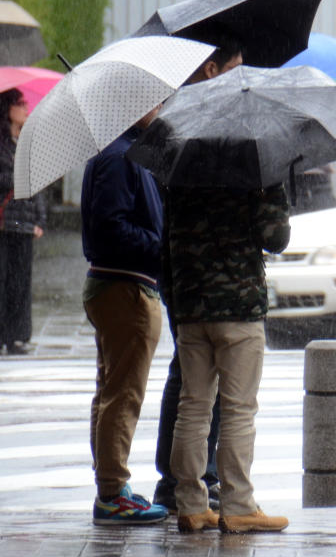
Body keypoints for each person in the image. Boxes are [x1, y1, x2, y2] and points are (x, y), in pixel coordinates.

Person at [152, 36, 244, 515]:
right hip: (215, 282)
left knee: (189, 387)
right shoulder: (215, 131)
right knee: (215, 393)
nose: (242, 74)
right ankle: (204, 487)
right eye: (236, 64)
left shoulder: (174, 129)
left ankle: (181, 487)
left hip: (183, 276)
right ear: (211, 70)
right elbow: (271, 230)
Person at [166, 180, 291, 531]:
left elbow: (168, 240)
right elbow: (276, 237)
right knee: (238, 408)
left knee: (192, 404)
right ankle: (237, 506)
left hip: (191, 306)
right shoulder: (253, 169)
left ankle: (190, 504)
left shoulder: (182, 170)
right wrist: (275, 192)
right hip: (238, 306)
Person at [81, 106, 169, 525]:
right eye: (158, 101)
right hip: (125, 286)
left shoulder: (125, 151)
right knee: (122, 394)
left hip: (119, 284)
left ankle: (111, 484)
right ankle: (112, 492)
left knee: (111, 390)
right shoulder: (119, 157)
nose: (163, 108)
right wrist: (159, 246)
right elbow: (111, 227)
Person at [0, 88, 46, 356]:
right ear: (7, 110)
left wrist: (40, 219)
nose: (26, 108)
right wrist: (16, 176)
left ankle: (18, 335)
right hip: (6, 222)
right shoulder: (3, 147)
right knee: (4, 278)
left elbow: (37, 185)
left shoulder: (28, 144)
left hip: (25, 222)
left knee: (21, 280)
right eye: (19, 104)